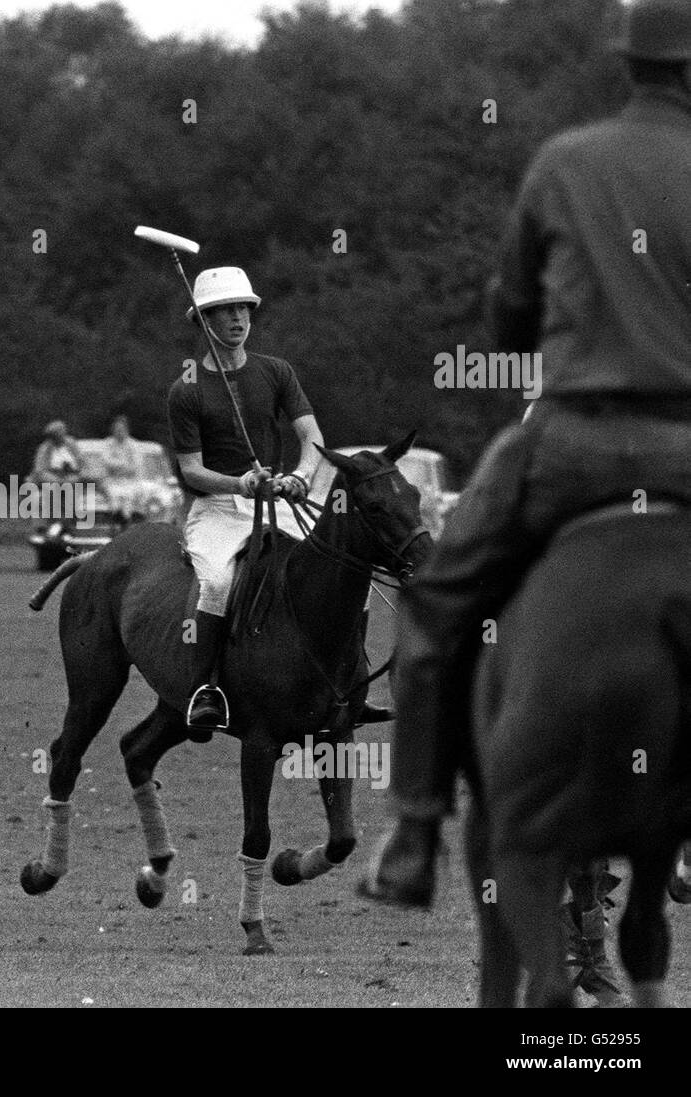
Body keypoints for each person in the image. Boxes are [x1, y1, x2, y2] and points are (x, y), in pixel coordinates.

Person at [363, 0, 691, 908]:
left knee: (433, 603)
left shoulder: (563, 162)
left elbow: (506, 314)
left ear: (629, 64)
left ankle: (417, 830)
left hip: (574, 443)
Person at [167, 266, 391, 739]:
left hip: (278, 503)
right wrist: (240, 483)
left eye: (243, 309)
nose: (237, 318)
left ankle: (349, 684)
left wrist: (301, 477)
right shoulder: (186, 389)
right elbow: (190, 470)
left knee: (351, 575)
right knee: (218, 582)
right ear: (204, 321)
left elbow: (311, 435)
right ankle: (204, 691)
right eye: (225, 311)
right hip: (218, 510)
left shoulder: (276, 371)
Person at [101, 414, 144, 517]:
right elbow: (106, 461)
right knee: (113, 495)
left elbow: (136, 465)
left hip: (131, 481)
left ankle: (127, 519)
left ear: (126, 430)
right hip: (112, 480)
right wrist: (123, 464)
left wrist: (118, 466)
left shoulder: (134, 445)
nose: (119, 431)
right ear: (113, 430)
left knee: (130, 496)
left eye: (121, 429)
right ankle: (115, 516)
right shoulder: (108, 443)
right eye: (117, 429)